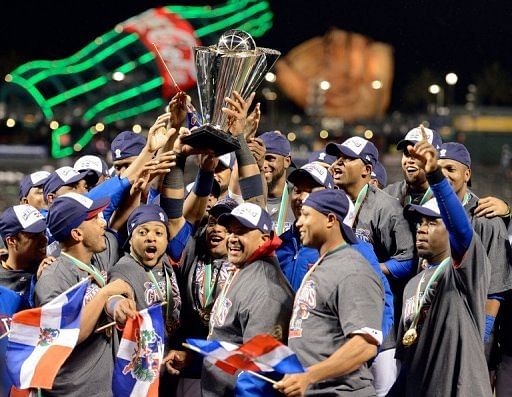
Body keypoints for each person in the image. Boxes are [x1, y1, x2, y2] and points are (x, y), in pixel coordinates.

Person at [389, 129, 491, 396]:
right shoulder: (412, 284)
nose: (422, 229)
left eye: (432, 222)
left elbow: (461, 229)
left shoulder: (464, 272)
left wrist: (435, 175)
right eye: (420, 222)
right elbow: (407, 365)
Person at [276, 189, 384, 396]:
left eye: (306, 215)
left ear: (330, 220)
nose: (298, 222)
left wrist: (309, 376)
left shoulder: (352, 269)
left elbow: (365, 344)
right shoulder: (324, 264)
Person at [35, 193, 134, 396]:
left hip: (106, 386)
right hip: (73, 391)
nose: (103, 222)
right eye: (95, 218)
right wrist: (105, 293)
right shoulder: (53, 278)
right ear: (77, 234)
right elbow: (67, 335)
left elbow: (123, 218)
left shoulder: (99, 257)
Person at [201, 202, 294, 396]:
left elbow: (260, 367)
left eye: (242, 232)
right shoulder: (245, 269)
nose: (233, 239)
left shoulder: (266, 290)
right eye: (231, 231)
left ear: (264, 239)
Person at [437, 142, 512, 369]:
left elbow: (495, 288)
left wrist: (482, 336)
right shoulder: (425, 212)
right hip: (434, 322)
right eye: (438, 169)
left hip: (471, 325)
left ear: (467, 174)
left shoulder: (486, 217)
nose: (444, 175)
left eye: (451, 169)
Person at [0, 205, 50, 307]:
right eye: (34, 236)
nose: (44, 240)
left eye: (43, 233)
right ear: (12, 241)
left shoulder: (50, 269)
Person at [384, 126, 443, 206]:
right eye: (406, 153)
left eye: (418, 154)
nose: (409, 160)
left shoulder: (447, 198)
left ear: (434, 158)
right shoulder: (388, 195)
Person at [260, 131, 296, 232]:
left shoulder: (298, 198)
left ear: (287, 161)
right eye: (259, 159)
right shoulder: (249, 196)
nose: (263, 165)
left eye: (270, 158)